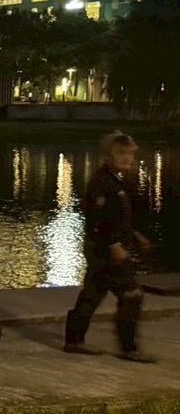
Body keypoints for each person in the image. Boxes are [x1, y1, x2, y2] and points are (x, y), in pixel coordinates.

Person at [64, 131, 156, 362]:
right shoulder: (102, 183)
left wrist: (136, 236)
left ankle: (74, 341)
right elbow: (97, 219)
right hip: (105, 252)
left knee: (92, 294)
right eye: (121, 153)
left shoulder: (115, 180)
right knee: (132, 294)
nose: (128, 158)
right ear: (108, 156)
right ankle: (129, 348)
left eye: (130, 154)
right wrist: (114, 245)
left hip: (103, 250)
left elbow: (116, 218)